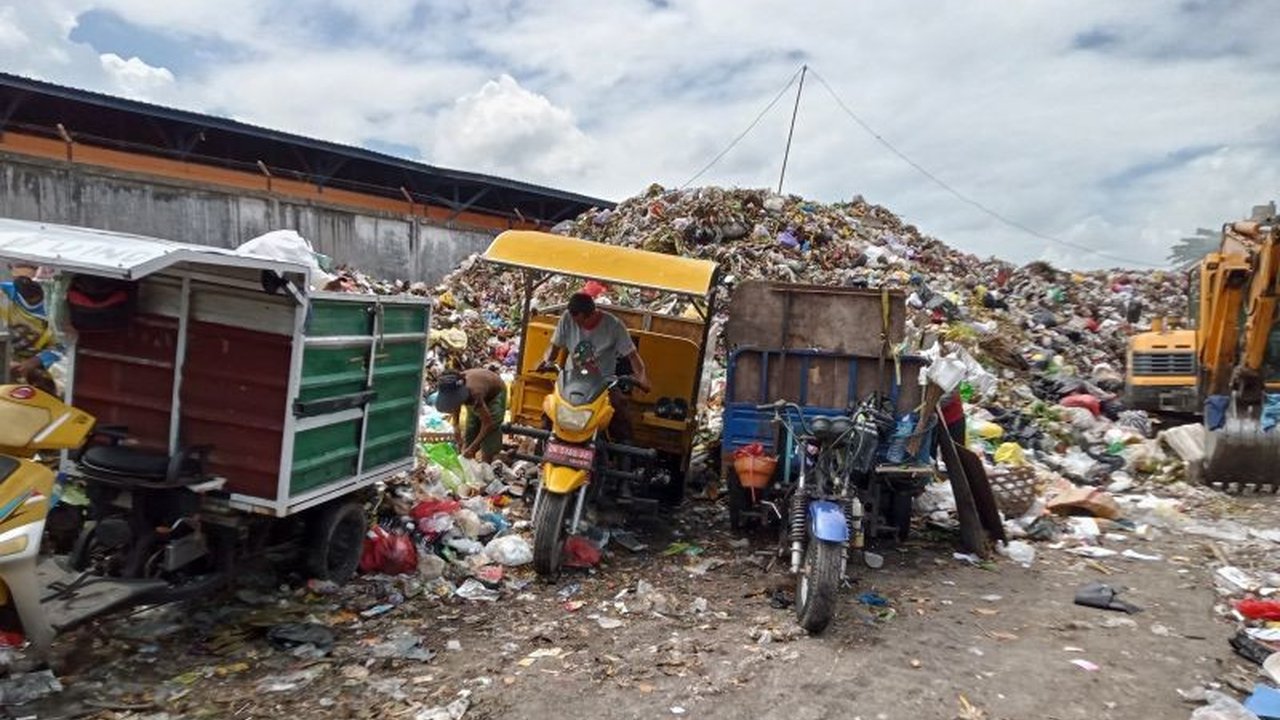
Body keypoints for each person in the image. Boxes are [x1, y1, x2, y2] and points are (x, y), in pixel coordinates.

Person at [536, 292, 650, 442]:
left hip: (603, 384)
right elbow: (554, 346)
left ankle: (625, 452)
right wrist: (545, 361)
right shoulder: (567, 318)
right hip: (571, 381)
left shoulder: (614, 326)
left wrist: (642, 377)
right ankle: (541, 446)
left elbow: (633, 356)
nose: (578, 325)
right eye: (574, 320)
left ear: (591, 314)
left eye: (581, 321)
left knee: (620, 412)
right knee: (550, 410)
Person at [1, 263, 59, 395]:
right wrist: (5, 363)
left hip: (42, 367)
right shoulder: (4, 294)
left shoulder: (54, 306)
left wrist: (37, 361)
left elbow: (63, 348)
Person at [434, 368, 508, 462]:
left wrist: (473, 447)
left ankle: (488, 462)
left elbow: (488, 424)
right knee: (471, 428)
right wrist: (456, 426)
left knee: (490, 434)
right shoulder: (455, 388)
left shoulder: (474, 393)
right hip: (476, 395)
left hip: (495, 393)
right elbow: (455, 403)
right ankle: (469, 458)